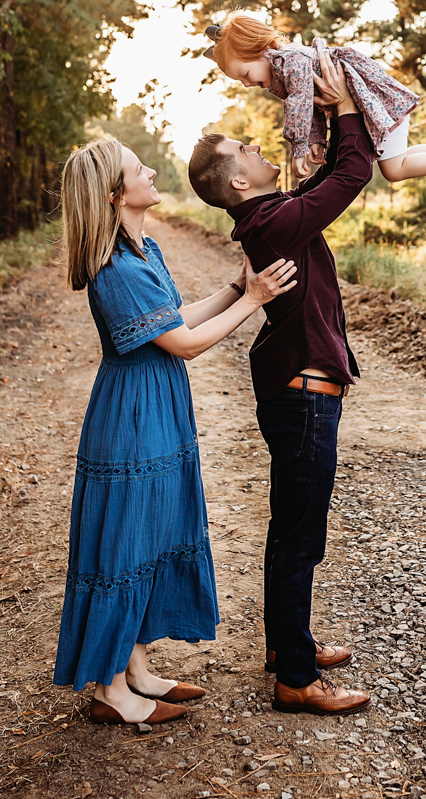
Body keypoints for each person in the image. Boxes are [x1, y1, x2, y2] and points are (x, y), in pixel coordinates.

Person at [54, 138, 297, 726]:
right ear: (115, 194)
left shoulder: (142, 251)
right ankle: (112, 691)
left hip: (157, 406)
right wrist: (256, 301)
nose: (153, 170)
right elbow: (184, 345)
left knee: (153, 534)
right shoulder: (114, 268)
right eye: (141, 169)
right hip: (131, 414)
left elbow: (175, 318)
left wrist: (236, 289)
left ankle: (134, 666)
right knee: (123, 542)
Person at [188, 51, 379, 717]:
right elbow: (352, 172)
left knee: (293, 530)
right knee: (299, 535)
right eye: (244, 146)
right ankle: (295, 679)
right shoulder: (271, 221)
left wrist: (330, 112)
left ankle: (285, 646)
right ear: (237, 181)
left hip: (295, 392)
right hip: (301, 397)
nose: (256, 143)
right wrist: (351, 108)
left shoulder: (276, 213)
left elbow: (326, 177)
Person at [203, 11, 426, 188]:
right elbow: (311, 106)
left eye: (246, 73)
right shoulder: (289, 67)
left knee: (393, 169)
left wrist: (299, 148)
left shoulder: (290, 60)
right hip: (374, 104)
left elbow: (300, 103)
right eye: (240, 81)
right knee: (393, 158)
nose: (248, 83)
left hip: (375, 105)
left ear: (262, 50)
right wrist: (317, 139)